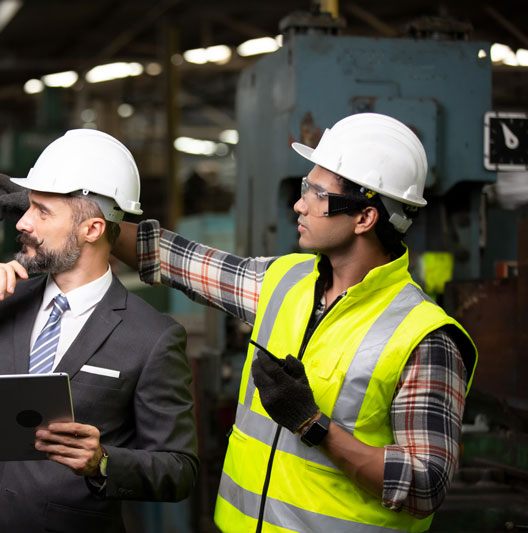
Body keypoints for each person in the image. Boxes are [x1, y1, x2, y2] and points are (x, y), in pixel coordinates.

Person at [107, 113, 478, 532]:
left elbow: (425, 486)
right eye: (306, 187)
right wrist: (81, 217)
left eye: (317, 193)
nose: (299, 204)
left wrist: (312, 425)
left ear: (364, 218)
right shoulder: (286, 280)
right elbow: (179, 260)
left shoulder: (425, 338)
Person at [0, 129, 198, 533]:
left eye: (42, 211)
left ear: (92, 230)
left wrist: (103, 462)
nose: (22, 222)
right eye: (28, 207)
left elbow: (179, 470)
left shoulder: (151, 338)